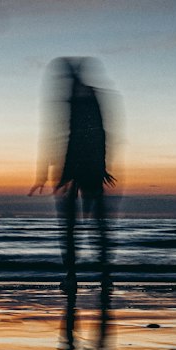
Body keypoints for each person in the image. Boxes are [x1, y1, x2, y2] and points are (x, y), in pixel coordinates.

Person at [30, 57, 116, 296]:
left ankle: (99, 275)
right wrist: (43, 172)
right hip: (73, 170)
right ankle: (82, 274)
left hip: (84, 169)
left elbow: (99, 133)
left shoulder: (82, 100)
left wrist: (100, 168)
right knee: (77, 226)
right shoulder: (75, 100)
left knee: (86, 226)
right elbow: (54, 136)